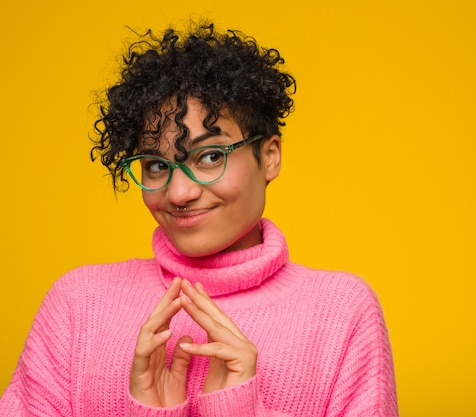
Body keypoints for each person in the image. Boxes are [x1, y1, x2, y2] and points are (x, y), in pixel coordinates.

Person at [0, 21, 398, 417]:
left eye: (210, 157)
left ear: (270, 156)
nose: (178, 193)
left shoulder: (342, 313)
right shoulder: (78, 305)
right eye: (156, 165)